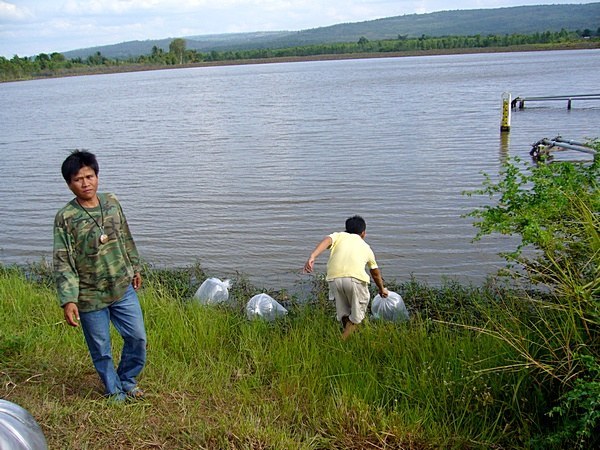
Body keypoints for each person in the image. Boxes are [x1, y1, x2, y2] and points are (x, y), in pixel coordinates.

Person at [53, 150, 147, 402]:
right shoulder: (66, 217)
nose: (85, 183)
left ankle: (127, 379)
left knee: (137, 337)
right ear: (69, 184)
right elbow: (63, 260)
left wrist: (135, 267)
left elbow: (125, 236)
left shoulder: (112, 202)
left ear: (97, 176)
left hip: (121, 287)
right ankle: (113, 390)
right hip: (90, 295)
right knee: (101, 348)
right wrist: (68, 299)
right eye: (77, 179)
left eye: (89, 176)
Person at [304, 215, 388, 340]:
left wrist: (313, 256)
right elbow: (375, 273)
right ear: (363, 233)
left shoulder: (338, 236)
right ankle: (341, 341)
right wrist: (381, 289)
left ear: (346, 229)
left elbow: (327, 240)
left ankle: (348, 334)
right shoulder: (366, 247)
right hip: (355, 280)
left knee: (343, 312)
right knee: (357, 317)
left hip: (334, 279)